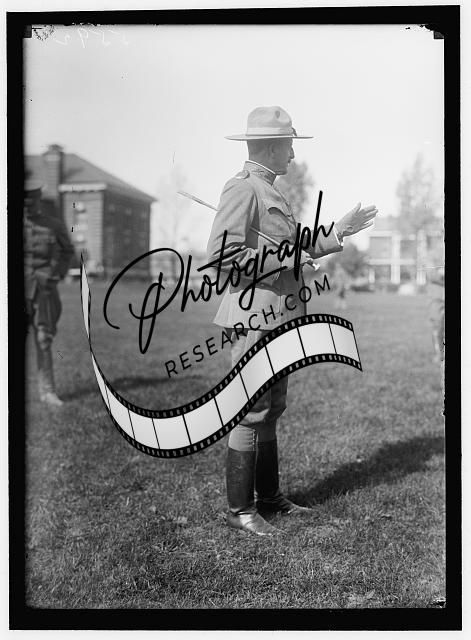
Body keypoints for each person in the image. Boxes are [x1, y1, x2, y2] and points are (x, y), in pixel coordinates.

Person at [207, 106, 377, 536]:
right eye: (289, 147)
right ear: (269, 147)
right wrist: (285, 260)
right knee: (252, 411)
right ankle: (241, 510)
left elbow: (293, 244)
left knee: (271, 409)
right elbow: (223, 256)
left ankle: (270, 499)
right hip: (253, 319)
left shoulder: (270, 192)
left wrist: (338, 231)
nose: (293, 156)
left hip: (277, 318)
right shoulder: (242, 189)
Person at [24, 180, 75, 406]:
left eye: (31, 203)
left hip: (43, 290)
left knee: (44, 339)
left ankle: (48, 391)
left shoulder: (53, 225)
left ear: (38, 201)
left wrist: (56, 273)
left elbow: (68, 251)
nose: (28, 208)